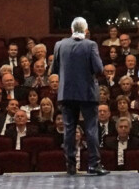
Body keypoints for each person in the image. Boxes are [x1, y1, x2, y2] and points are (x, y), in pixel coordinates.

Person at [48, 17, 109, 176]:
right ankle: (94, 165)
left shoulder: (60, 45)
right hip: (87, 93)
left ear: (71, 30)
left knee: (69, 129)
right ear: (86, 30)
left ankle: (70, 166)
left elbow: (54, 68)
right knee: (91, 128)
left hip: (66, 93)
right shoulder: (91, 45)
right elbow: (98, 68)